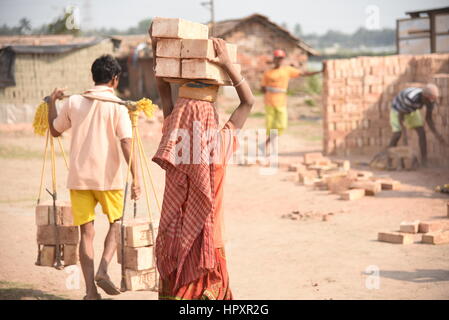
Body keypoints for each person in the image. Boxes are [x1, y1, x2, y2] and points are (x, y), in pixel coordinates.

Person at [150, 27, 254, 299]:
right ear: (212, 113)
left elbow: (162, 84)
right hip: (210, 243)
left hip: (175, 244)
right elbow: (248, 102)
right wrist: (228, 64)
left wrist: (159, 45)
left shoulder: (173, 137)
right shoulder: (218, 145)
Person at [47, 54, 140, 300]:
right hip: (109, 179)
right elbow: (127, 145)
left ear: (93, 77)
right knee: (116, 223)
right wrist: (137, 179)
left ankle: (90, 292)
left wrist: (51, 103)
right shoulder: (119, 107)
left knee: (86, 234)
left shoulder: (74, 102)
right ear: (115, 80)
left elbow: (55, 131)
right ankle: (103, 269)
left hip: (80, 179)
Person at [261, 49, 322, 153]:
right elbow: (262, 88)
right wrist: (271, 87)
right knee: (270, 126)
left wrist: (320, 71)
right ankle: (268, 148)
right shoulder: (268, 73)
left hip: (281, 103)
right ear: (274, 59)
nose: (279, 60)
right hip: (269, 102)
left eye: (281, 58)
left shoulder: (287, 70)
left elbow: (304, 73)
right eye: (277, 58)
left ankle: (265, 144)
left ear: (283, 60)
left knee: (282, 125)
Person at [388, 83, 446, 166]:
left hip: (412, 110)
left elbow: (428, 119)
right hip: (398, 110)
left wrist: (437, 135)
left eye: (433, 100)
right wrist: (404, 135)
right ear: (425, 97)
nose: (431, 102)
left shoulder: (430, 101)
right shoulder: (410, 98)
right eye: (430, 100)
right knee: (398, 133)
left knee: (422, 132)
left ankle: (424, 161)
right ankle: (389, 159)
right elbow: (401, 116)